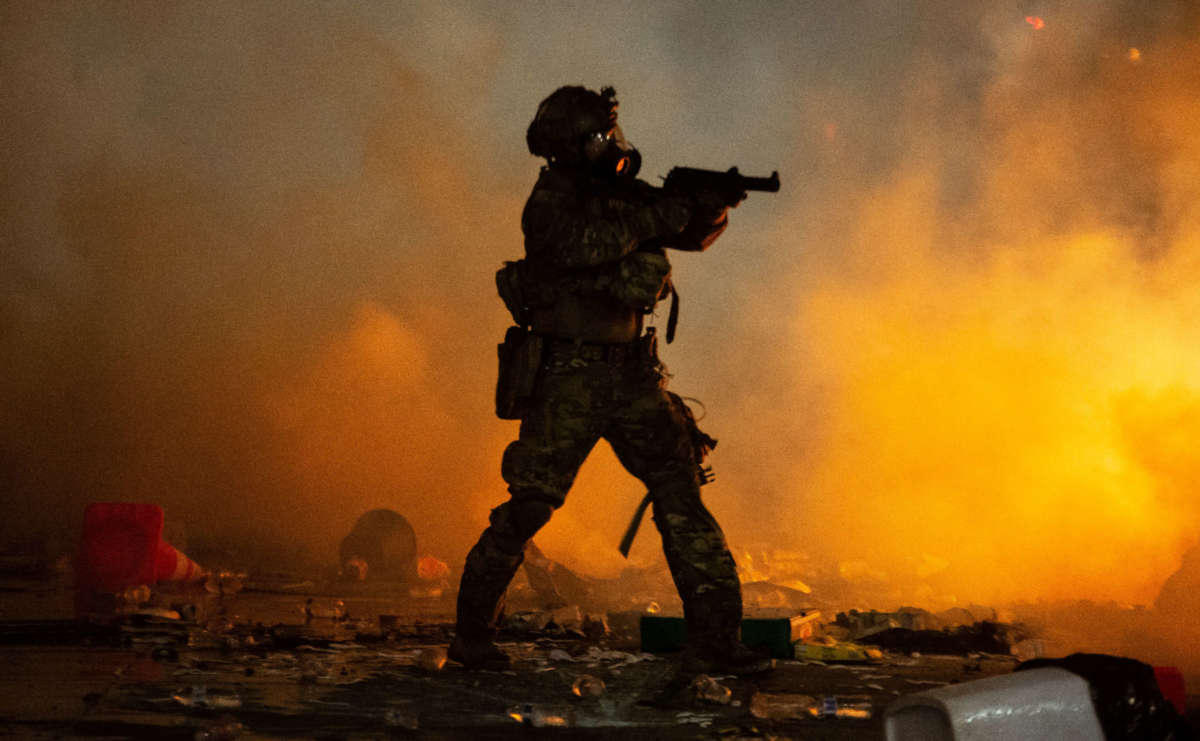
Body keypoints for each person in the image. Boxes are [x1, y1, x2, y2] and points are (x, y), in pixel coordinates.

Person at [449, 85, 770, 675]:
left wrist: (714, 206)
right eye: (599, 138)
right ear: (571, 146)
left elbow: (688, 235)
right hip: (568, 375)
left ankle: (718, 642)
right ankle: (472, 637)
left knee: (681, 496)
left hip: (630, 374)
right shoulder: (552, 202)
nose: (612, 147)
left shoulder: (622, 194)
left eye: (610, 135)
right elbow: (585, 246)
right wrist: (667, 211)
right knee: (530, 506)